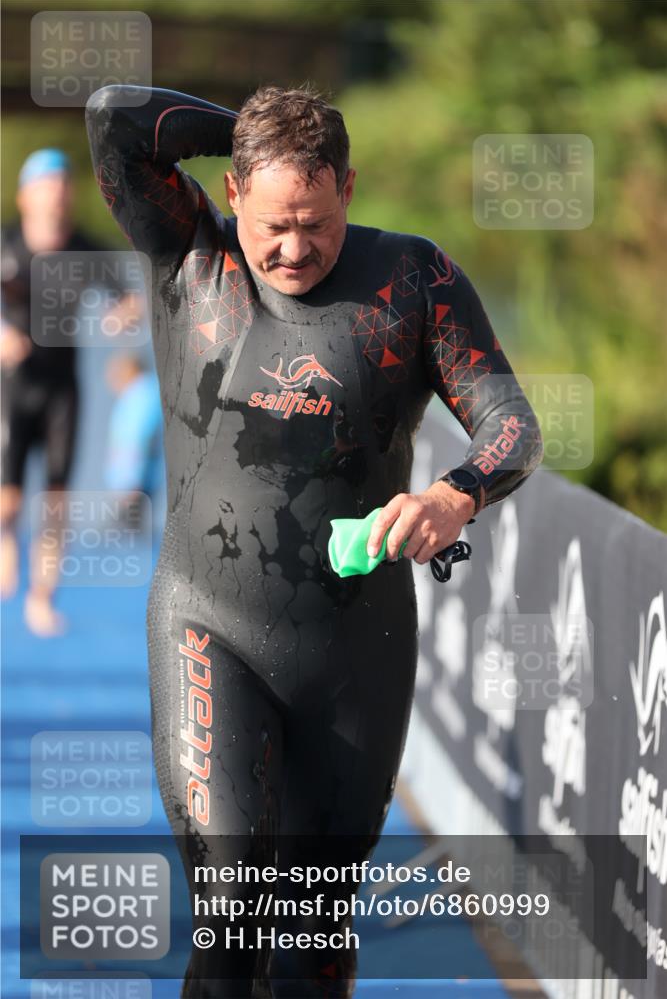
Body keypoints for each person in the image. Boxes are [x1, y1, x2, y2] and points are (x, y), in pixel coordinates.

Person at [85, 83, 543, 997]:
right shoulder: (193, 253)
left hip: (355, 650)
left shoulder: (412, 280)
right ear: (237, 195)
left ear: (350, 188)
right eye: (272, 224)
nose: (293, 248)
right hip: (209, 627)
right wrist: (252, 134)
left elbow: (512, 424)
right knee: (234, 917)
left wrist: (456, 495)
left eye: (317, 220)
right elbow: (112, 117)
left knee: (312, 933)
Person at [0, 149, 143, 636]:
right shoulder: (7, 244)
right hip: (12, 386)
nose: (56, 193)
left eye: (63, 184)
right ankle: (5, 543)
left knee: (56, 501)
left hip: (63, 388)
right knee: (9, 503)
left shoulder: (84, 250)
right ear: (25, 196)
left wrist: (125, 315)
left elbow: (130, 298)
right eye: (46, 184)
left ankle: (41, 598)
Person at [104, 352, 164, 528]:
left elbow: (139, 439)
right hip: (135, 481)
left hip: (134, 484)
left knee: (129, 536)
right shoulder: (139, 394)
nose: (110, 380)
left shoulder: (141, 395)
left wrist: (131, 481)